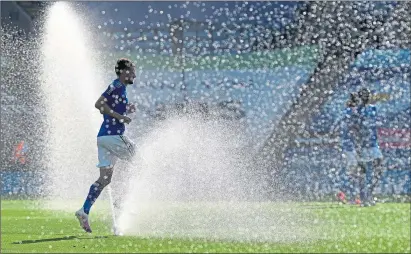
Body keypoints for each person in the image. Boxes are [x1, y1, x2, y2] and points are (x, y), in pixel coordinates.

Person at [75, 58, 137, 233]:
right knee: (142, 163)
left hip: (103, 138)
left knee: (105, 179)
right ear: (124, 71)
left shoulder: (120, 88)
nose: (134, 74)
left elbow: (109, 107)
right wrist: (121, 117)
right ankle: (123, 202)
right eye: (132, 70)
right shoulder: (116, 85)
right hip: (113, 136)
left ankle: (84, 210)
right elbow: (98, 104)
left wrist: (125, 110)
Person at [356, 87, 384, 206]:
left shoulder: (373, 109)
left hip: (373, 144)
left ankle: (370, 193)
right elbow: (354, 128)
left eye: (367, 94)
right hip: (362, 145)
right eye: (364, 95)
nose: (366, 97)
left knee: (379, 167)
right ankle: (363, 197)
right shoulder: (357, 111)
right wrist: (356, 145)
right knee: (362, 172)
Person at [338, 92, 362, 204]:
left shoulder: (345, 112)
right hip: (351, 146)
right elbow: (355, 127)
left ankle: (347, 194)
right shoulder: (353, 112)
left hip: (348, 145)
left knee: (351, 170)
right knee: (353, 171)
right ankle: (348, 195)